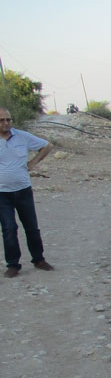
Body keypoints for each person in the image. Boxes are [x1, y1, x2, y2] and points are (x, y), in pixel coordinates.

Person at [0, 107, 54, 278]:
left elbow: (47, 146)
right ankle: (13, 265)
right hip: (2, 194)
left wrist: (34, 162)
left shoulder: (22, 136)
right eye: (1, 120)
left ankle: (39, 259)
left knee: (31, 227)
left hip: (23, 190)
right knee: (9, 228)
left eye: (8, 119)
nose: (6, 123)